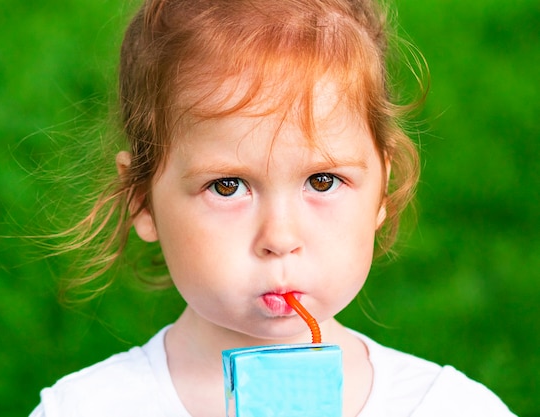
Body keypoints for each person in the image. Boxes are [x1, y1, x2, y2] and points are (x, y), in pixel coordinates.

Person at [29, 0, 516, 415]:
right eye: (227, 187)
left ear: (381, 193)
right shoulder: (86, 408)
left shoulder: (448, 407)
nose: (280, 238)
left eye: (322, 181)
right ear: (143, 202)